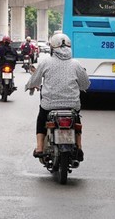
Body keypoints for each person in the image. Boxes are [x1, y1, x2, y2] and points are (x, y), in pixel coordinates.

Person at [25, 32, 90, 160]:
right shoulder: (76, 64)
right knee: (76, 120)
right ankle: (79, 146)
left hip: (50, 105)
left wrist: (29, 86)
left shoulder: (46, 62)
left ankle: (39, 147)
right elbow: (85, 84)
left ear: (52, 48)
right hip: (72, 105)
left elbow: (35, 79)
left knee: (41, 119)